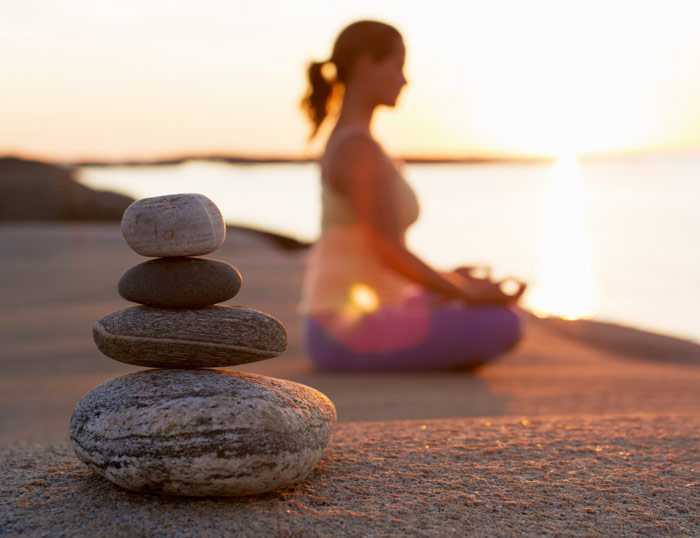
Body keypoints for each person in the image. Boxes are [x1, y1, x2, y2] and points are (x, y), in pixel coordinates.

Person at [298, 20, 526, 372]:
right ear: (364, 64)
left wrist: (452, 279)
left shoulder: (354, 141)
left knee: (473, 304)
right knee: (505, 323)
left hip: (357, 316)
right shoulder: (357, 148)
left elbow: (380, 254)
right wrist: (464, 292)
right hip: (345, 330)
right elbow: (387, 251)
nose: (405, 80)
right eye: (397, 65)